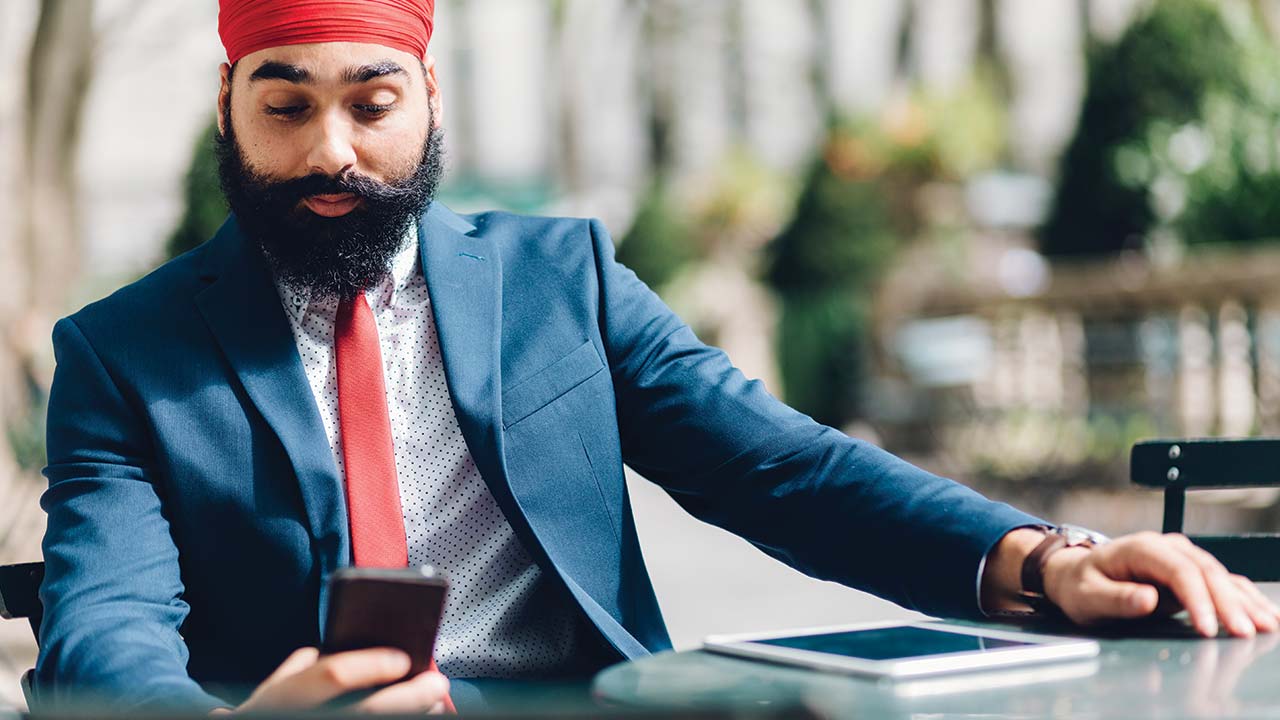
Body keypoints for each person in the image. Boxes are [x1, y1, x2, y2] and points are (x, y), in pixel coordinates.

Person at [36, 0, 1280, 714]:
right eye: (284, 102)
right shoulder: (123, 352)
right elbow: (104, 621)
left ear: (427, 96)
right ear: (226, 110)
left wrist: (1040, 559)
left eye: (370, 100)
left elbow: (776, 466)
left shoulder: (557, 277)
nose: (332, 149)